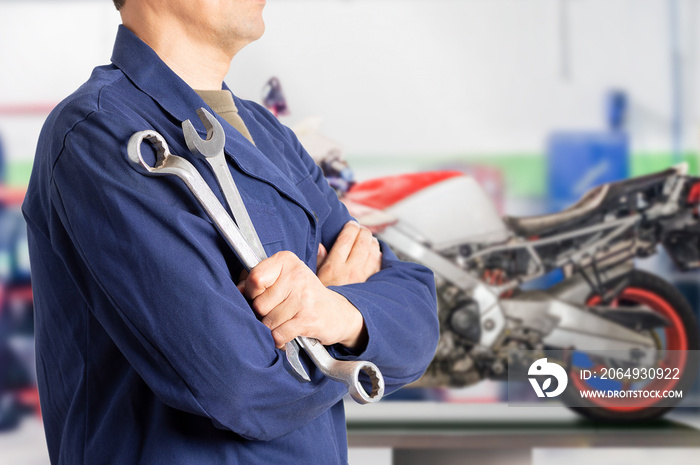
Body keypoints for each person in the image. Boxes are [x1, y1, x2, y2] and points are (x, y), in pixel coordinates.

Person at [22, 0, 439, 463]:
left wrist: (337, 312)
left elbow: (418, 315)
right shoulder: (97, 133)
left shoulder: (269, 133)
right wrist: (342, 328)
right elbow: (240, 385)